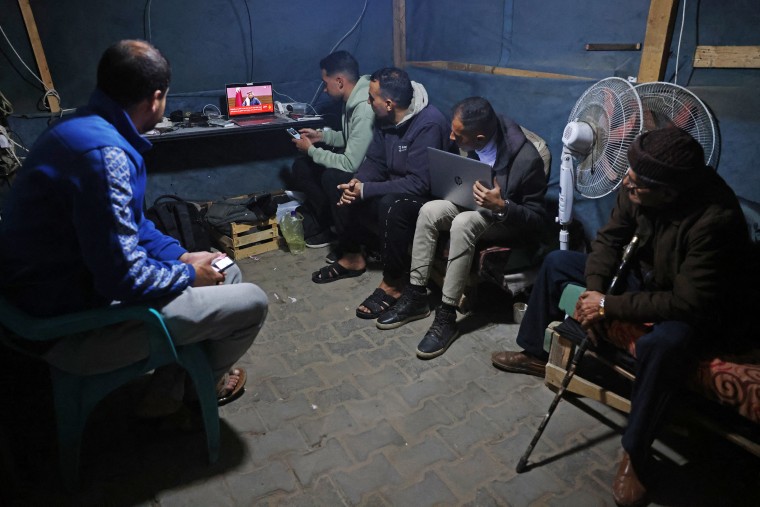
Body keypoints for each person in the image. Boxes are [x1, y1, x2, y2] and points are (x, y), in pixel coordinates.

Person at [0, 40, 268, 415]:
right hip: (68, 328)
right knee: (251, 301)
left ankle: (169, 391)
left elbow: (133, 224)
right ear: (156, 98)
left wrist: (182, 255)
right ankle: (194, 391)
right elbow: (123, 279)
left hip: (59, 296)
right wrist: (186, 274)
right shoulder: (106, 156)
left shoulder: (79, 128)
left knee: (225, 268)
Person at [490, 127, 753, 507]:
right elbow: (610, 240)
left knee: (664, 344)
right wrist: (595, 292)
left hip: (697, 306)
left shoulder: (715, 219)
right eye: (629, 174)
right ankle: (534, 352)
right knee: (559, 262)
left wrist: (606, 307)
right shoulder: (637, 185)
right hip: (646, 276)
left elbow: (687, 302)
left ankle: (636, 452)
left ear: (668, 191)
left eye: (637, 181)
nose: (625, 181)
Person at [375, 97, 547, 359]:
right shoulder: (476, 137)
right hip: (472, 204)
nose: (452, 138)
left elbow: (536, 220)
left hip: (504, 218)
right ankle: (416, 295)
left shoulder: (527, 159)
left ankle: (446, 316)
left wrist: (502, 205)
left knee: (463, 224)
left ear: (479, 138)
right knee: (429, 210)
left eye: (458, 134)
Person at [310, 67, 450, 320]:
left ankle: (393, 284)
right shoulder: (385, 117)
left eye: (371, 97)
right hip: (394, 187)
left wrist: (367, 190)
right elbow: (375, 162)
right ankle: (353, 256)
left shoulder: (429, 123)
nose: (367, 101)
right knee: (335, 179)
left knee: (390, 203)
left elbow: (419, 184)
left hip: (423, 198)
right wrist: (357, 183)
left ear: (388, 103)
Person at [289, 50, 375, 247]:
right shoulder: (352, 98)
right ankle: (328, 224)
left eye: (325, 83)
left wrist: (312, 150)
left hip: (368, 170)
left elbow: (350, 163)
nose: (325, 90)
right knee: (302, 166)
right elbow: (351, 136)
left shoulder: (363, 107)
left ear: (339, 81)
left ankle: (341, 234)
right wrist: (321, 136)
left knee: (330, 175)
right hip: (357, 162)